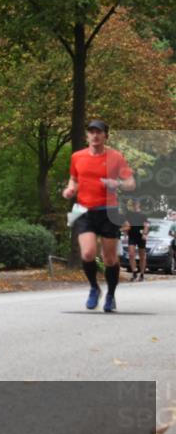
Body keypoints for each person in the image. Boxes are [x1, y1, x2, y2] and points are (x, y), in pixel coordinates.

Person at [62, 119, 135, 312]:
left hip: (108, 211)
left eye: (99, 132)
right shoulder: (77, 156)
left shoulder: (116, 157)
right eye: (91, 132)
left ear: (105, 136)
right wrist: (70, 189)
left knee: (110, 259)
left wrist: (116, 184)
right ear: (87, 135)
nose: (95, 135)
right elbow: (74, 179)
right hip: (84, 211)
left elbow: (131, 183)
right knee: (87, 254)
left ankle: (110, 294)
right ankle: (94, 287)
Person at [121, 199, 149, 282]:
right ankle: (134, 272)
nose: (134, 206)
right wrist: (125, 234)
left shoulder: (143, 215)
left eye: (135, 204)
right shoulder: (128, 214)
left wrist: (144, 234)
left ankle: (142, 274)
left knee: (142, 256)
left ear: (138, 205)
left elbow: (146, 225)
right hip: (132, 236)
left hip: (141, 236)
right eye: (132, 205)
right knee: (131, 254)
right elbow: (126, 224)